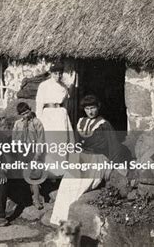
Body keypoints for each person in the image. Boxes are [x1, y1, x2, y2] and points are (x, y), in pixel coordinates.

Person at [50, 95, 132, 225]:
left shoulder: (104, 124)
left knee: (79, 186)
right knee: (67, 183)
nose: (90, 111)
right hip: (81, 158)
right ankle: (61, 219)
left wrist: (118, 166)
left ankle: (73, 220)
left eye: (93, 108)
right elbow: (76, 143)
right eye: (87, 108)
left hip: (97, 159)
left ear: (98, 107)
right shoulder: (81, 122)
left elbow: (113, 145)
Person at [35, 62, 75, 177]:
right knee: (50, 140)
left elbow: (66, 103)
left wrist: (65, 114)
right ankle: (50, 171)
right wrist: (39, 120)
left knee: (62, 140)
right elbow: (39, 104)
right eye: (55, 73)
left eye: (60, 73)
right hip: (48, 115)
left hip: (61, 114)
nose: (58, 76)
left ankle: (61, 171)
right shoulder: (44, 85)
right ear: (51, 73)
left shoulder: (64, 87)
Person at [12, 102, 46, 209]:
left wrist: (37, 155)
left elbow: (41, 140)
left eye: (27, 112)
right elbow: (14, 138)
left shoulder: (37, 123)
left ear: (30, 109)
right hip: (22, 152)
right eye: (23, 114)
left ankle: (36, 199)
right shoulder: (18, 124)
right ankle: (22, 198)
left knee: (33, 175)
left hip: (33, 152)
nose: (26, 116)